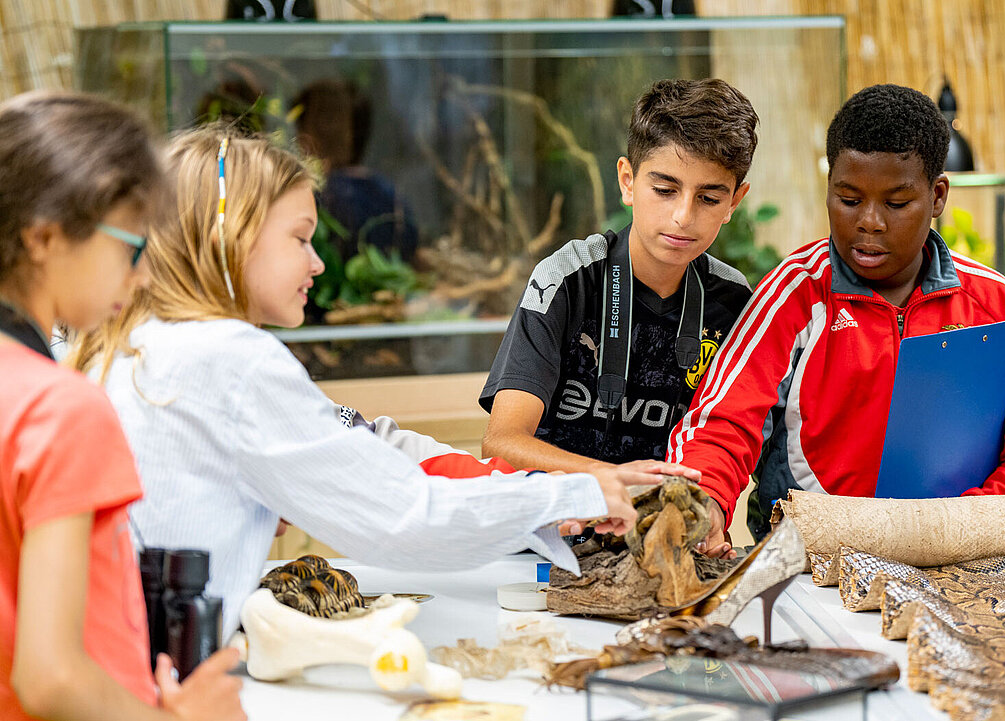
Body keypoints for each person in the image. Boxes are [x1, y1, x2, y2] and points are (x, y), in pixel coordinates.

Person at [73, 125, 698, 635]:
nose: (317, 263)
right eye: (300, 238)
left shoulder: (133, 339)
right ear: (230, 238)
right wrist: (578, 493)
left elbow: (357, 442)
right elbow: (404, 518)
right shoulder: (231, 359)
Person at [668, 83, 1005, 557]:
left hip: (961, 563)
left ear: (937, 195)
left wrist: (953, 529)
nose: (870, 221)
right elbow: (723, 423)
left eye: (897, 204)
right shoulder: (793, 295)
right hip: (811, 570)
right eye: (848, 198)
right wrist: (705, 506)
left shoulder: (993, 304)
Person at [0, 92, 243, 721]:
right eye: (131, 248)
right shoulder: (60, 408)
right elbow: (51, 677)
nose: (139, 277)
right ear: (44, 238)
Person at [480, 78, 757, 475]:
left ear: (734, 201)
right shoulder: (568, 279)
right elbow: (501, 443)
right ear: (628, 181)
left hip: (666, 526)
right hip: (556, 523)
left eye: (709, 199)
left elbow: (735, 444)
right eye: (664, 190)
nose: (683, 216)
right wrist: (614, 480)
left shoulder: (734, 300)